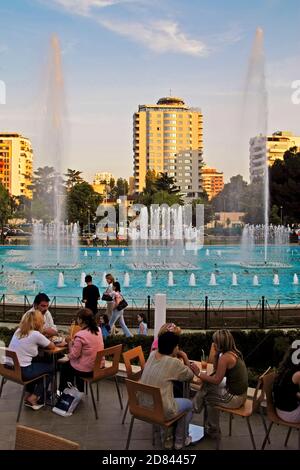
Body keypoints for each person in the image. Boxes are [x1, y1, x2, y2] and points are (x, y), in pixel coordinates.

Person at [140, 331, 200, 449]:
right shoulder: (173, 363)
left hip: (142, 405)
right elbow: (189, 376)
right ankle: (180, 441)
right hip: (159, 409)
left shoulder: (152, 355)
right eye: (176, 346)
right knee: (189, 404)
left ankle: (169, 436)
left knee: (172, 397)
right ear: (173, 347)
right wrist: (184, 357)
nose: (178, 348)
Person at [193, 329, 248, 439]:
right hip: (242, 394)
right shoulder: (234, 353)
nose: (213, 344)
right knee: (207, 385)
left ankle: (213, 430)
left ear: (220, 344)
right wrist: (216, 354)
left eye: (215, 342)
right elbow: (216, 370)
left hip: (236, 398)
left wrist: (198, 373)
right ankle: (196, 407)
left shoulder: (226, 358)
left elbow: (216, 380)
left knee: (208, 398)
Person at [8, 310, 55, 409]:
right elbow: (52, 346)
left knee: (37, 364)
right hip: (23, 372)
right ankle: (33, 397)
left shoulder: (19, 330)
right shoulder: (35, 334)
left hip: (10, 370)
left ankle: (28, 394)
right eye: (42, 321)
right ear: (38, 322)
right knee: (51, 368)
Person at [59, 308, 104, 393]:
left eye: (78, 318)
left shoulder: (80, 335)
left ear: (81, 320)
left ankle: (64, 392)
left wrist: (69, 343)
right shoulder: (98, 329)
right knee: (78, 363)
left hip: (88, 370)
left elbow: (74, 355)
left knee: (66, 366)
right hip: (99, 367)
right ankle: (79, 391)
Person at [273, 345, 300, 423]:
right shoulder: (298, 374)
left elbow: (289, 391)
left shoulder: (285, 368)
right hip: (290, 414)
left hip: (280, 410)